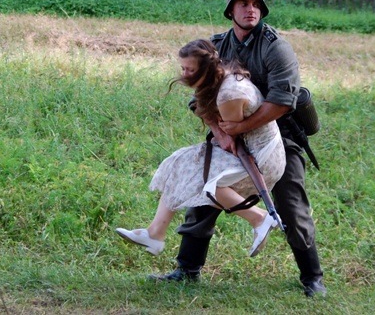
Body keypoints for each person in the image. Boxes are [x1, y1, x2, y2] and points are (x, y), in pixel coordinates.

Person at [148, 0, 327, 298]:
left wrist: (239, 129)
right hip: (229, 134)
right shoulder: (216, 47)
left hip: (279, 137)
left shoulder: (276, 48)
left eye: (256, 4)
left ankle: (312, 277)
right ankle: (187, 269)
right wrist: (220, 132)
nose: (250, 9)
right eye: (243, 4)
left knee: (291, 205)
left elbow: (283, 101)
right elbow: (198, 98)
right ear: (231, 10)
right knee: (202, 189)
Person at [115, 39, 286, 258]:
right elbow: (209, 115)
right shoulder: (215, 79)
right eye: (183, 68)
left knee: (210, 185)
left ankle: (260, 218)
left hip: (262, 155)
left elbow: (231, 135)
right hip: (243, 148)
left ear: (206, 68)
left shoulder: (228, 95)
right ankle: (155, 234)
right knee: (180, 162)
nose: (185, 75)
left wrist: (216, 124)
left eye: (191, 70)